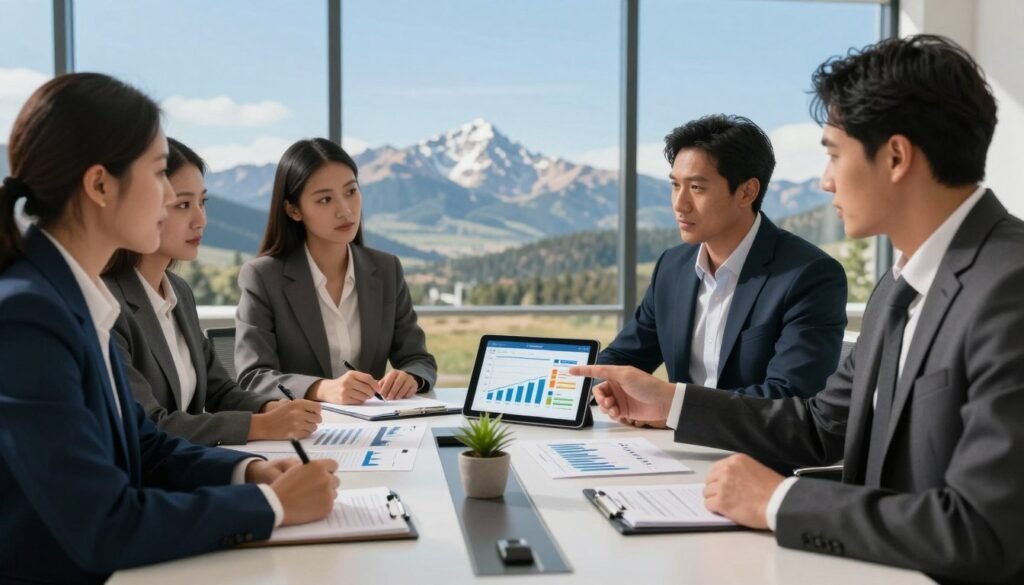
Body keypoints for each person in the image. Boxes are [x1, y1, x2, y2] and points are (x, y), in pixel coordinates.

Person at [572, 35, 1024, 584]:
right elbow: (819, 425)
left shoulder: (1009, 288)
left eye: (833, 154)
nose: (825, 180)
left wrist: (779, 501)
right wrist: (670, 401)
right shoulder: (899, 285)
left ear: (897, 157)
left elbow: (982, 533)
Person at [0, 73, 338, 584]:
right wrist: (270, 506)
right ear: (98, 185)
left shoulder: (72, 295)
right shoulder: (28, 315)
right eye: (160, 176)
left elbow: (145, 445)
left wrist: (247, 472)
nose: (168, 200)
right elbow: (103, 524)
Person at [598, 115, 847, 427]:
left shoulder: (810, 275)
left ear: (746, 192)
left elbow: (791, 396)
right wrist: (610, 391)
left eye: (697, 188)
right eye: (675, 186)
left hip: (755, 458)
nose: (680, 204)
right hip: (672, 449)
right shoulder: (672, 267)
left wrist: (676, 409)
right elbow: (620, 359)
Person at [102, 138, 322, 446]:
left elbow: (220, 391)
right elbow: (149, 426)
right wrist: (260, 426)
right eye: (182, 205)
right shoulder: (106, 306)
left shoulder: (178, 291)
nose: (200, 220)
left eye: (202, 202)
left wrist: (273, 409)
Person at [235, 138, 437, 405]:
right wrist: (320, 389)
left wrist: (411, 376)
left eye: (351, 192)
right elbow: (253, 377)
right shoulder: (262, 277)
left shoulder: (387, 270)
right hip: (301, 431)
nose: (345, 210)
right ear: (293, 210)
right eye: (325, 199)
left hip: (374, 427)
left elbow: (418, 359)